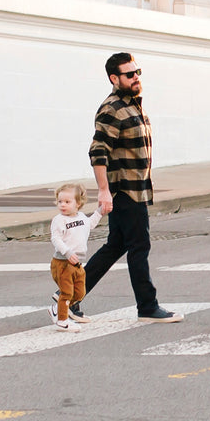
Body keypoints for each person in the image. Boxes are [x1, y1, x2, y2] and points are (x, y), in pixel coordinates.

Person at [78, 51, 182, 324]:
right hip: (124, 190)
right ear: (114, 78)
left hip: (136, 188)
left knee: (116, 245)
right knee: (139, 246)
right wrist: (103, 191)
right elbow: (98, 152)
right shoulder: (111, 108)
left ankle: (68, 297)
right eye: (129, 74)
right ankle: (147, 306)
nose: (136, 77)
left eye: (137, 72)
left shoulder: (133, 105)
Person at [47, 183, 101, 332]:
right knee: (66, 293)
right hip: (62, 262)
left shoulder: (82, 217)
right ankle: (62, 321)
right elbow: (55, 239)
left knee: (79, 293)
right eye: (60, 202)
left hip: (77, 263)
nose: (62, 205)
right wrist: (67, 252)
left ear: (78, 203)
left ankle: (57, 310)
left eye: (67, 202)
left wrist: (100, 211)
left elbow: (90, 224)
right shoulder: (59, 220)